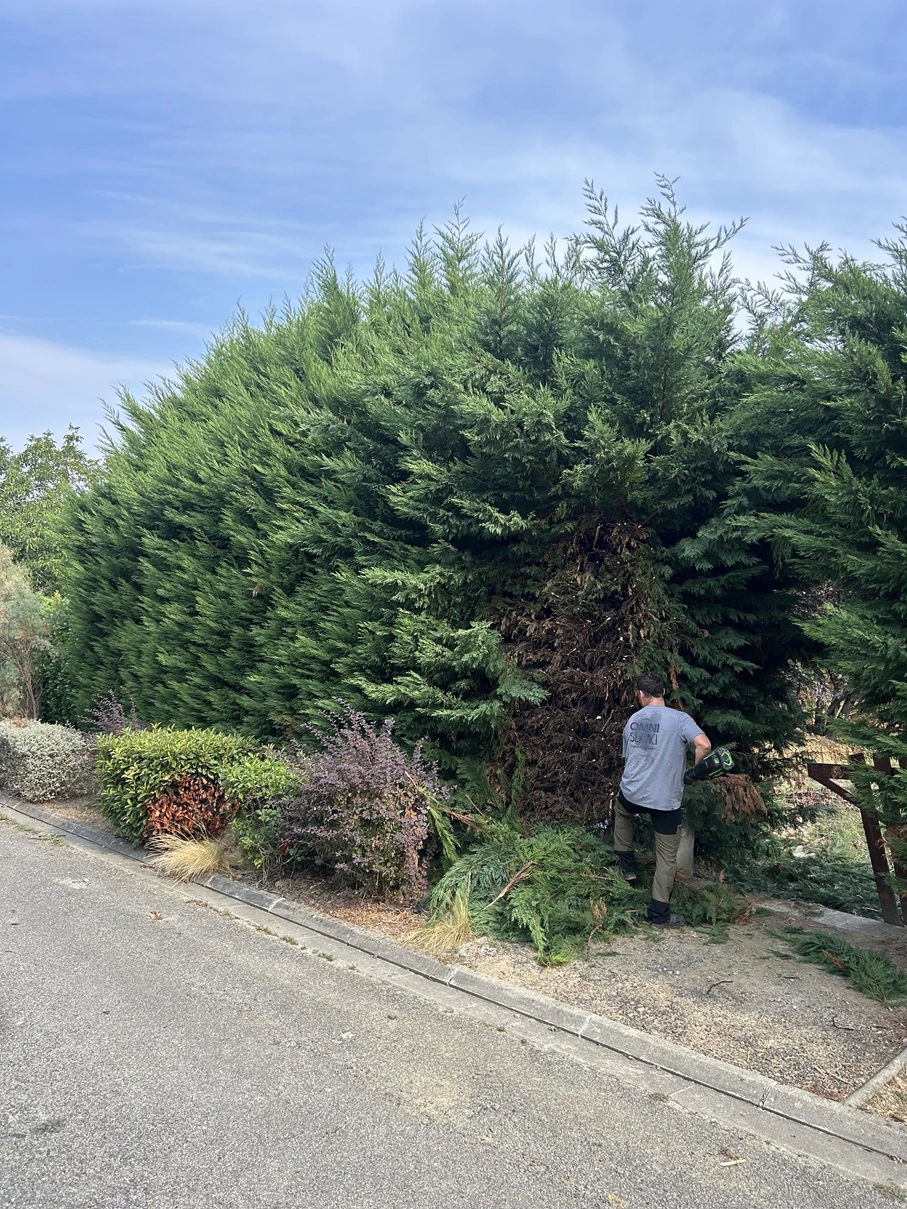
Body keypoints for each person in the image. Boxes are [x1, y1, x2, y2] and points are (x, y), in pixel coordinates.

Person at [614, 673, 711, 928]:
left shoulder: (633, 720)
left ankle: (627, 868)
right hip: (665, 801)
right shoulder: (680, 719)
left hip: (633, 794)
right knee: (666, 857)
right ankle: (659, 915)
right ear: (663, 693)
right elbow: (704, 744)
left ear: (641, 695)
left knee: (622, 813)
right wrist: (694, 769)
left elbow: (629, 758)